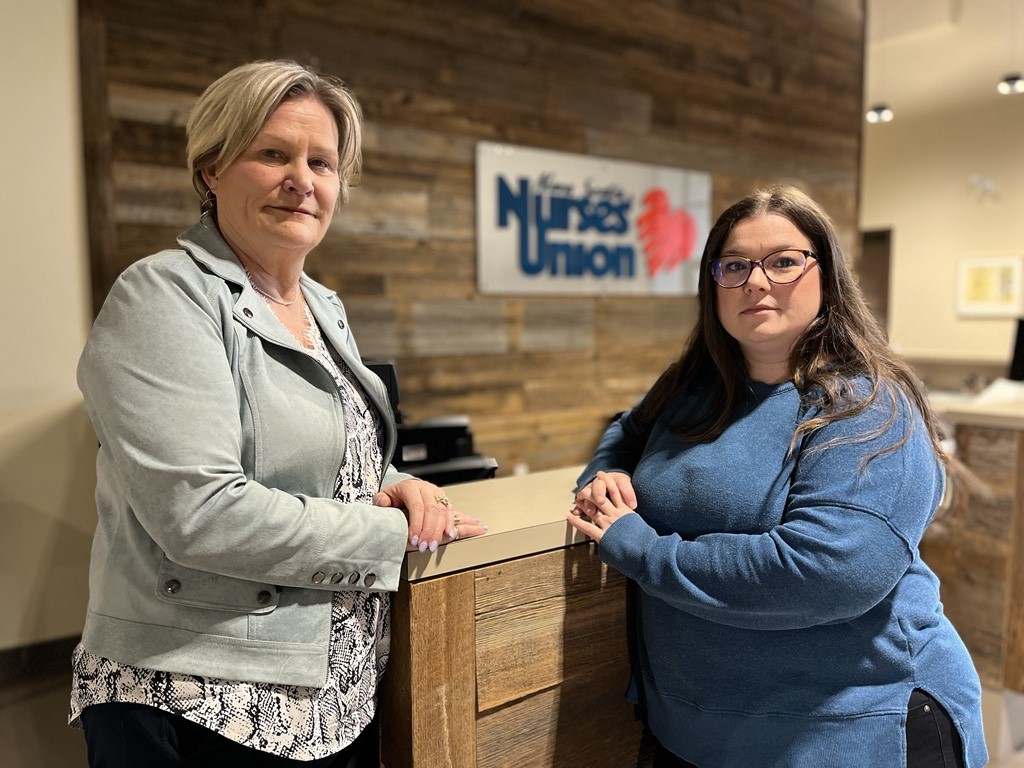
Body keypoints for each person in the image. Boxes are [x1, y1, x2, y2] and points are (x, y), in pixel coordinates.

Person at [69, 60, 486, 767]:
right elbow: (200, 513)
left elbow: (329, 449)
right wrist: (389, 536)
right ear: (211, 169)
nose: (303, 179)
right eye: (273, 154)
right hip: (199, 698)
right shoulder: (163, 297)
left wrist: (393, 479)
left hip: (333, 696)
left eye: (321, 162)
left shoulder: (322, 307)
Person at [568, 185, 987, 768]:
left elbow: (829, 571)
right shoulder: (694, 387)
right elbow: (625, 430)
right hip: (691, 729)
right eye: (734, 266)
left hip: (848, 730)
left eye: (784, 261)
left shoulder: (866, 406)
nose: (756, 282)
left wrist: (643, 551)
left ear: (827, 275)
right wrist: (606, 470)